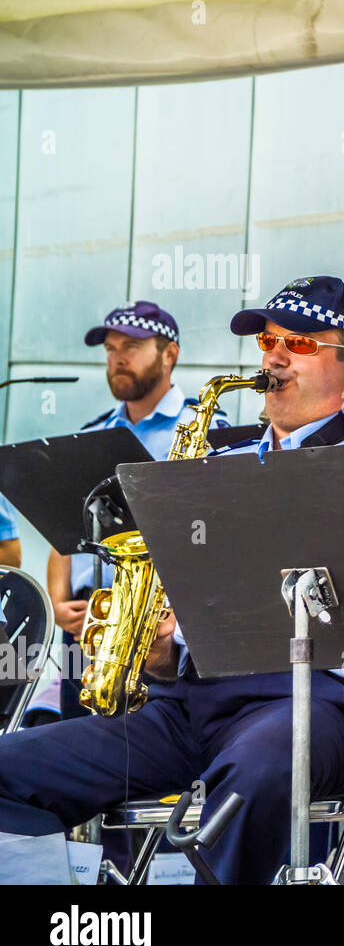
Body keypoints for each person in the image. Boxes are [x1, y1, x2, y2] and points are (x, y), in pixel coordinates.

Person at [0, 276, 344, 884]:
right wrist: (158, 650)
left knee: (257, 768)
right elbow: (180, 635)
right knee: (12, 764)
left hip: (326, 704)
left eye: (300, 343)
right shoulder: (216, 464)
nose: (275, 355)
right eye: (269, 341)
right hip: (193, 706)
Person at [47, 302, 223, 720]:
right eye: (110, 348)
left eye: (131, 345)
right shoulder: (92, 433)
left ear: (170, 354)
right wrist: (59, 603)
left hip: (154, 631)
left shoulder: (209, 431)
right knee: (74, 758)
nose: (117, 358)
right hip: (85, 625)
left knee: (139, 764)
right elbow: (64, 533)